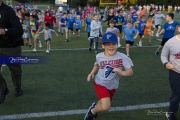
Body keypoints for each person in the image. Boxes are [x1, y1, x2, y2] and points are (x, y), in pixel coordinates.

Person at [84, 32, 134, 120]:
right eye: (108, 44)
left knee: (104, 103)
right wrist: (91, 73)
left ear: (117, 45)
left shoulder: (122, 57)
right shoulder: (99, 56)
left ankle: (94, 106)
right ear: (103, 46)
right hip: (100, 82)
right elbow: (97, 65)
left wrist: (122, 73)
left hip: (113, 85)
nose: (111, 46)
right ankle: (92, 112)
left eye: (113, 44)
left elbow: (130, 72)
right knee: (106, 106)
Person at [0, 0, 23, 104]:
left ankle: (18, 87)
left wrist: (5, 30)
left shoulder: (8, 11)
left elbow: (19, 30)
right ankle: (3, 89)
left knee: (15, 71)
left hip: (10, 47)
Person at [161, 25, 180, 120]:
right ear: (179, 28)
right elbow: (164, 55)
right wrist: (165, 63)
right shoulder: (171, 42)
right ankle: (171, 113)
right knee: (177, 94)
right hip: (176, 72)